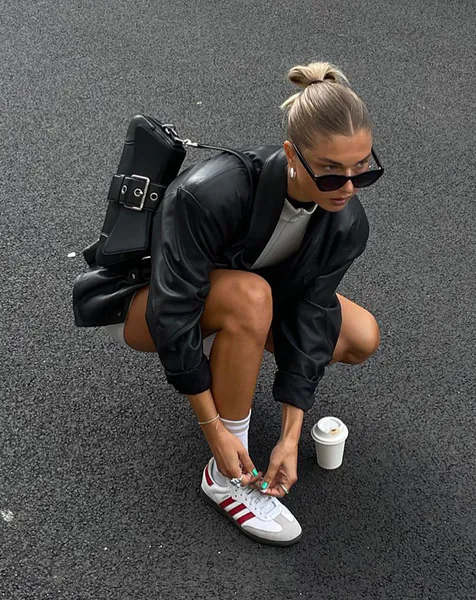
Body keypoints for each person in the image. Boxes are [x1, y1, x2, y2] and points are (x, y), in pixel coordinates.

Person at [99, 61, 383, 546]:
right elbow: (172, 311)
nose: (349, 187)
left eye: (362, 168)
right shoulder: (212, 192)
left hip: (242, 295)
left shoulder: (345, 222)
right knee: (251, 297)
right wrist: (215, 429)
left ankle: (233, 353)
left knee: (359, 335)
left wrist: (291, 435)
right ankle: (224, 477)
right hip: (148, 305)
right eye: (331, 173)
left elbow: (313, 315)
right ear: (292, 154)